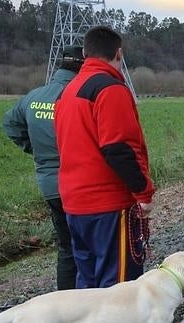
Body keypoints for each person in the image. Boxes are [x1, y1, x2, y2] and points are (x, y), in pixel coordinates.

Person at [54, 26, 155, 289]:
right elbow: (119, 149)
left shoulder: (68, 91)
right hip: (109, 207)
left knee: (88, 287)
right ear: (119, 54)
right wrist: (143, 193)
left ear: (86, 54)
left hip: (75, 205)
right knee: (119, 290)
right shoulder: (111, 89)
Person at [2, 46, 84, 290]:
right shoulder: (79, 95)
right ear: (82, 66)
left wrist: (33, 149)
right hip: (80, 184)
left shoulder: (34, 96)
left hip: (50, 185)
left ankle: (66, 305)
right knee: (90, 247)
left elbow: (10, 124)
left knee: (66, 248)